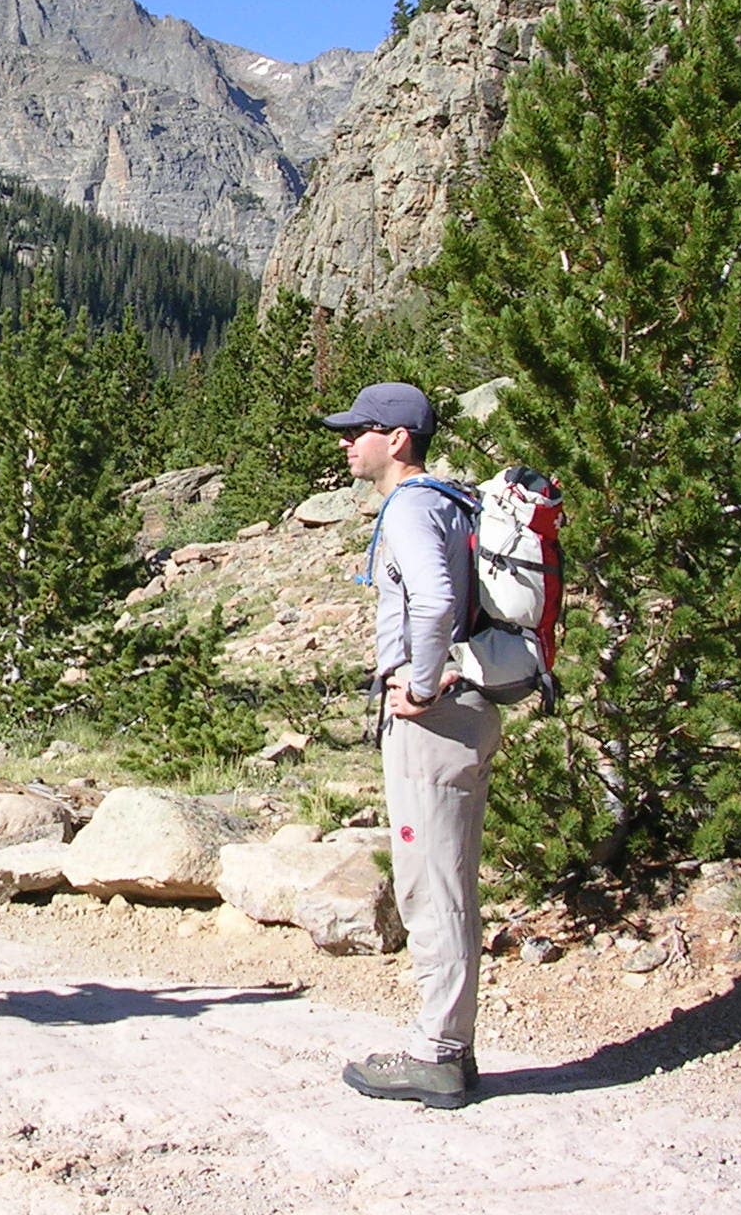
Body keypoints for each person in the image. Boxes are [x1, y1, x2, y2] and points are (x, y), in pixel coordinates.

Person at [325, 381, 500, 1110]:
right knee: (446, 879)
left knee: (431, 885)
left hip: (435, 719)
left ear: (397, 439)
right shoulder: (450, 502)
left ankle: (438, 1055)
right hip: (467, 708)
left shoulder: (409, 506)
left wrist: (421, 686)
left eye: (358, 430)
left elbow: (433, 601)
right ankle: (451, 1046)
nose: (345, 442)